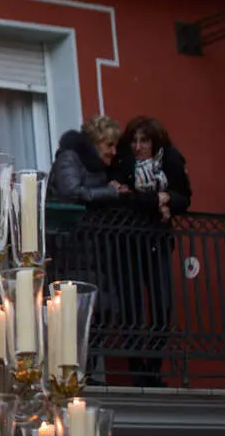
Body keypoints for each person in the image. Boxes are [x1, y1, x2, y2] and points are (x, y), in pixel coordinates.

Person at [112, 117, 191, 387]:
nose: (138, 146)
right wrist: (156, 199)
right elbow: (123, 198)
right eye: (134, 140)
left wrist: (168, 199)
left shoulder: (170, 160)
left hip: (158, 241)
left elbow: (185, 197)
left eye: (144, 141)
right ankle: (137, 368)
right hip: (128, 242)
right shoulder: (124, 162)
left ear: (155, 143)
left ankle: (154, 366)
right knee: (131, 307)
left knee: (161, 304)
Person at [48, 115, 126, 383]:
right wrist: (110, 192)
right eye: (109, 144)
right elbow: (71, 191)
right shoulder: (70, 157)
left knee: (101, 309)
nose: (113, 151)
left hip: (95, 251)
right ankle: (76, 372)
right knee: (80, 310)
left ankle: (86, 369)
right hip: (71, 249)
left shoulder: (97, 167)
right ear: (96, 142)